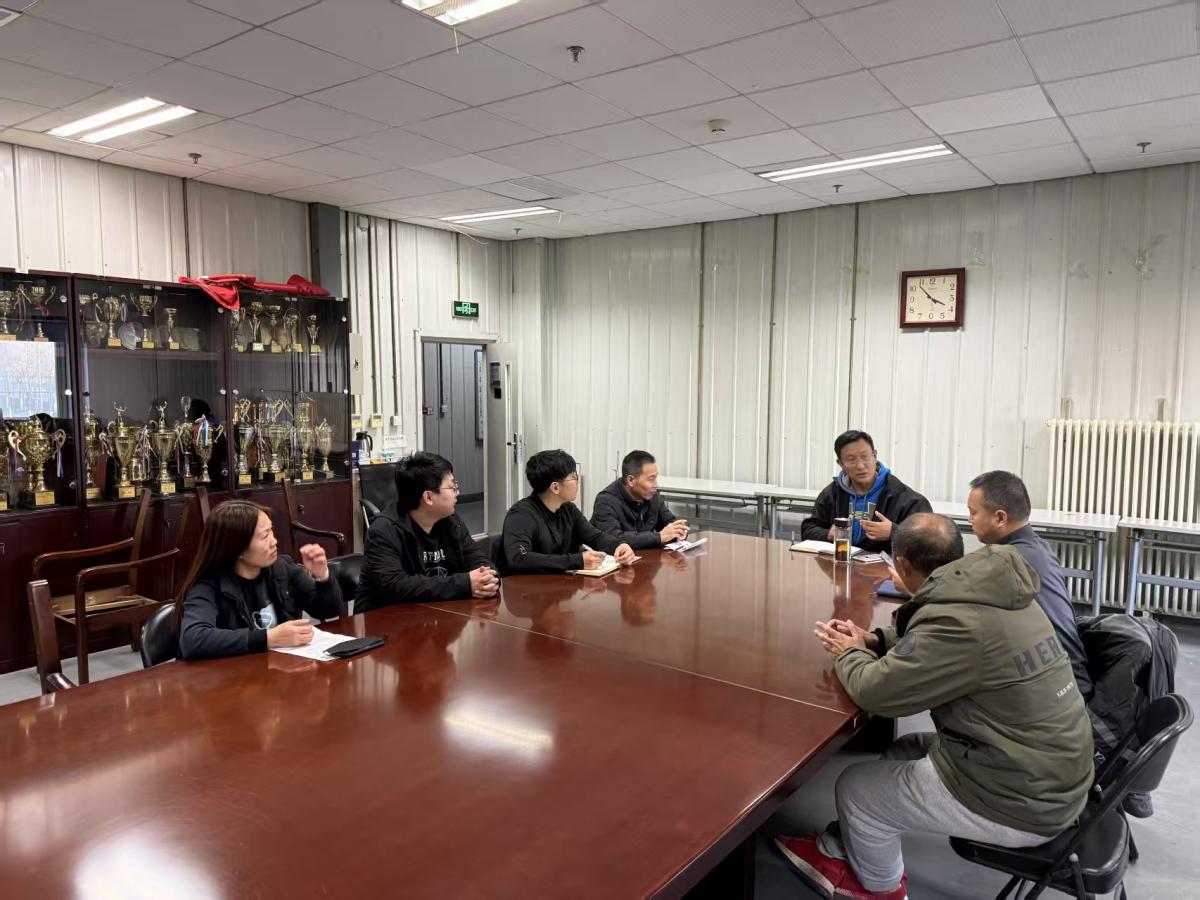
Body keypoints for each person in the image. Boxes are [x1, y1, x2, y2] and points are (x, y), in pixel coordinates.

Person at [776, 513, 1093, 900]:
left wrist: (849, 652)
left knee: (854, 788)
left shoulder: (959, 621)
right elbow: (941, 644)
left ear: (902, 564)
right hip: (1053, 772)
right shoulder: (997, 592)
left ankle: (880, 889)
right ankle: (850, 842)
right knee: (906, 748)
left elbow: (875, 692)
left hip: (1023, 801)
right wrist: (875, 640)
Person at [967, 470, 1091, 696]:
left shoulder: (1008, 561)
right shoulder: (1037, 547)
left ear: (1000, 518)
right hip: (1071, 675)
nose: (970, 520)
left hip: (1058, 689)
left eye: (973, 512)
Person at [177, 501, 343, 660]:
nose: (274, 541)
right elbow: (193, 639)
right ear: (238, 549)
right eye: (265, 536)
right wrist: (269, 638)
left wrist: (322, 576)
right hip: (232, 675)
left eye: (271, 531)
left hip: (277, 667)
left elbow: (328, 610)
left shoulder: (281, 567)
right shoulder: (209, 584)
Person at [355, 451, 497, 612]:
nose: (457, 492)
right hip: (387, 619)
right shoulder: (383, 531)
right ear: (428, 497)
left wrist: (487, 579)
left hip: (436, 614)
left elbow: (477, 558)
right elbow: (395, 586)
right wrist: (465, 583)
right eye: (452, 487)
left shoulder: (451, 521)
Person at [496, 449, 635, 574]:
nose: (577, 482)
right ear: (555, 487)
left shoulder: (568, 509)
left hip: (560, 586)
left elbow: (594, 537)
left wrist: (619, 546)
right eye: (574, 477)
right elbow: (519, 558)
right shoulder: (521, 515)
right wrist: (576, 561)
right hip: (527, 589)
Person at [800, 430, 930, 552]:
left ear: (875, 456)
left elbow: (930, 541)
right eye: (851, 460)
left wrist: (894, 532)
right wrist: (828, 534)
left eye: (865, 457)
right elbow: (808, 529)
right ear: (841, 464)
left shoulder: (907, 499)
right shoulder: (832, 493)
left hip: (885, 567)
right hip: (840, 564)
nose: (860, 466)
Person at [590, 450, 689, 549]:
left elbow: (669, 522)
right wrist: (658, 537)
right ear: (631, 480)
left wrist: (679, 530)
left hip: (644, 556)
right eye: (651, 479)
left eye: (656, 478)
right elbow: (613, 539)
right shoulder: (605, 501)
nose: (656, 485)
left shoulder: (652, 496)